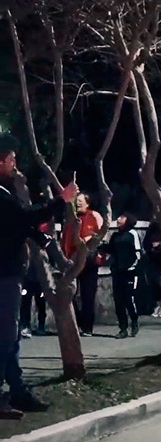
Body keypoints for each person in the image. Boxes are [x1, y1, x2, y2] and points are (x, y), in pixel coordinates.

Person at [0, 133, 77, 417]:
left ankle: (17, 391)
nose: (14, 167)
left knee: (11, 336)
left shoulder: (5, 194)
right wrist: (62, 200)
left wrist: (41, 241)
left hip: (10, 274)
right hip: (4, 275)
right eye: (11, 161)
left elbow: (17, 225)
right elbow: (24, 217)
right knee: (5, 338)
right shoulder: (1, 195)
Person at [62, 192, 103, 336]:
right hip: (72, 261)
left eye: (81, 201)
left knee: (88, 295)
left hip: (88, 260)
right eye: (76, 201)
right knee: (70, 294)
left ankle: (87, 327)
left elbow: (100, 234)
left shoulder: (94, 215)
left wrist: (89, 239)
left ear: (87, 203)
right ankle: (77, 324)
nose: (78, 204)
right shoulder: (71, 218)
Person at [101, 213, 142, 339]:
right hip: (117, 272)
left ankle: (134, 322)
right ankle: (122, 328)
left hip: (130, 272)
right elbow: (111, 249)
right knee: (118, 301)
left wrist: (131, 266)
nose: (118, 219)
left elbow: (138, 253)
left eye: (122, 217)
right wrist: (100, 245)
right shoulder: (115, 235)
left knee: (129, 300)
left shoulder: (132, 234)